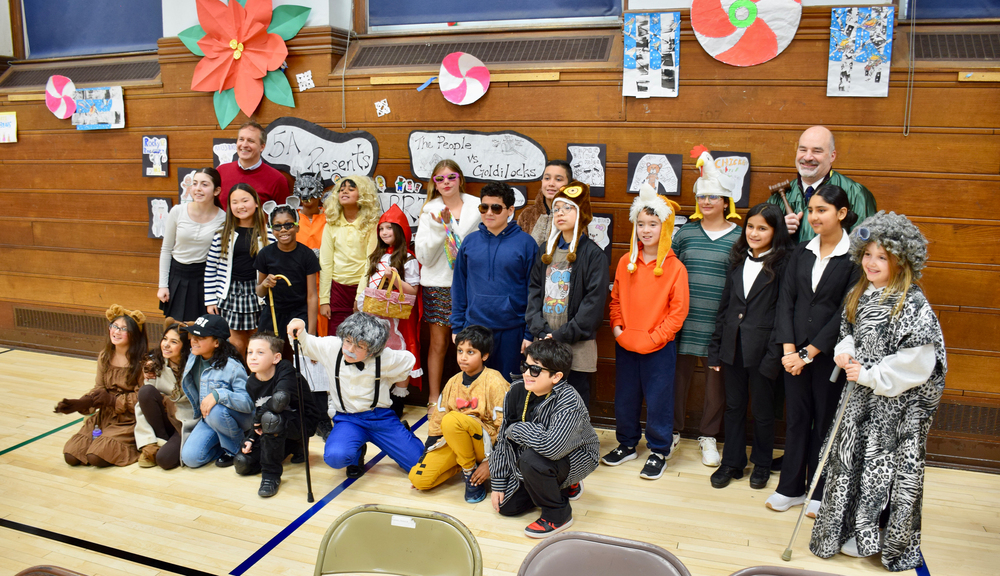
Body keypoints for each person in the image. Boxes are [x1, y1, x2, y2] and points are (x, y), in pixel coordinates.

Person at [810, 212, 946, 571]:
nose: (871, 263)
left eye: (882, 257)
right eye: (867, 254)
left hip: (892, 410)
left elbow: (917, 363)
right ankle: (844, 528)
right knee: (849, 464)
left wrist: (871, 374)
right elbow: (848, 331)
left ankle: (871, 535)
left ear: (901, 260)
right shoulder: (861, 293)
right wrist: (845, 351)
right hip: (859, 401)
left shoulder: (913, 305)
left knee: (879, 472)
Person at [767, 185, 861, 514]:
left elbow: (845, 312)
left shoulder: (855, 258)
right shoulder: (801, 252)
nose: (814, 216)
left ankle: (819, 492)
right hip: (793, 356)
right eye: (811, 210)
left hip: (828, 357)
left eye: (822, 210)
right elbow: (786, 302)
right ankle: (790, 488)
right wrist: (789, 351)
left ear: (842, 213)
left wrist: (809, 353)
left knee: (824, 423)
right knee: (796, 420)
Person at [602, 183, 688, 480]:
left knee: (659, 400)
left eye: (653, 224)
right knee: (625, 397)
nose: (646, 230)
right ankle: (627, 444)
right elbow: (615, 300)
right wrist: (617, 330)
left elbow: (677, 313)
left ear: (665, 227)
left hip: (659, 347)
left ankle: (659, 450)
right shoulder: (625, 262)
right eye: (641, 224)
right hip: (626, 343)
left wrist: (655, 338)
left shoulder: (675, 268)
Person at [707, 203, 794, 489]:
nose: (754, 233)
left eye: (762, 228)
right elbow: (726, 307)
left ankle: (762, 463)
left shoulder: (784, 264)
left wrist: (774, 355)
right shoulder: (737, 259)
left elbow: (783, 314)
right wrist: (716, 348)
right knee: (733, 407)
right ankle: (732, 462)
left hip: (764, 351)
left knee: (762, 411)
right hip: (732, 348)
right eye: (751, 227)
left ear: (775, 231)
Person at [287, 312, 424, 478]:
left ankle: (400, 433)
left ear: (372, 351)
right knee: (335, 457)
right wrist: (298, 325)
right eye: (348, 341)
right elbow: (305, 343)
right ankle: (357, 451)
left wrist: (389, 378)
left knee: (419, 465)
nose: (350, 350)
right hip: (348, 419)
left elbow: (408, 360)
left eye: (359, 346)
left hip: (380, 418)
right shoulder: (332, 347)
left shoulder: (385, 357)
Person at [672, 150, 744, 467]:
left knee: (716, 385)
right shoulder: (685, 233)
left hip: (719, 326)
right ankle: (671, 430)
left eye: (713, 196)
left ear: (726, 201)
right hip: (683, 322)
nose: (706, 201)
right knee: (676, 380)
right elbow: (669, 273)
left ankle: (709, 435)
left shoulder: (740, 237)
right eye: (702, 196)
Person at [489, 339, 599, 539]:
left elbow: (553, 448)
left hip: (575, 454)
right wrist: (497, 481)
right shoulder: (516, 391)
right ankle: (558, 485)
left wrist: (518, 429)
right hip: (535, 453)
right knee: (507, 507)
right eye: (525, 366)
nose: (526, 374)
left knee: (531, 461)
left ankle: (557, 515)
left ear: (556, 376)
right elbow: (504, 441)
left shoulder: (569, 401)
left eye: (535, 370)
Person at [525, 181, 608, 408]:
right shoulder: (545, 251)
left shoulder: (593, 255)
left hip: (576, 344)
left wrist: (562, 334)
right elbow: (534, 290)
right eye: (557, 209)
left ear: (581, 213)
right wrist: (540, 329)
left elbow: (593, 303)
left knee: (574, 401)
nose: (560, 213)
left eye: (567, 208)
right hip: (544, 339)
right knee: (542, 399)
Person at [409, 325, 509, 503]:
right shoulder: (452, 382)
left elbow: (505, 426)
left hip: (486, 445)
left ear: (484, 356)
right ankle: (465, 463)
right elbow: (436, 422)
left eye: (470, 352)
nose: (463, 357)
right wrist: (425, 456)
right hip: (456, 440)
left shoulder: (495, 381)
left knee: (452, 420)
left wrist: (492, 462)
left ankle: (471, 474)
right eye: (460, 351)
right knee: (418, 479)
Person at [451, 181, 538, 381]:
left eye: (496, 208)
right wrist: (457, 327)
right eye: (484, 207)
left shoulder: (526, 244)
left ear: (510, 210)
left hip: (512, 331)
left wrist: (529, 333)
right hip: (474, 330)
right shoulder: (470, 242)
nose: (489, 213)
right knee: (474, 387)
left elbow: (534, 292)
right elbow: (459, 287)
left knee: (508, 386)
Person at [415, 160, 482, 409]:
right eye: (440, 179)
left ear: (460, 179)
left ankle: (470, 398)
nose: (446, 183)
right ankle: (434, 399)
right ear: (434, 183)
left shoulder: (478, 206)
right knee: (439, 343)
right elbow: (423, 257)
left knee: (471, 344)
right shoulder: (429, 211)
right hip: (439, 284)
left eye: (451, 177)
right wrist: (441, 228)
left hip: (472, 284)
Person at [55, 305, 148, 467]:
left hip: (128, 419)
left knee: (95, 457)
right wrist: (82, 403)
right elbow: (99, 387)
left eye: (123, 329)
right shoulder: (105, 356)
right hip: (105, 415)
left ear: (134, 335)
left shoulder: (143, 362)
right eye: (114, 326)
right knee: (71, 455)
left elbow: (143, 399)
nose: (117, 331)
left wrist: (113, 401)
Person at [355, 205, 423, 418]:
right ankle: (378, 398)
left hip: (399, 316)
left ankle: (398, 399)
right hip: (376, 313)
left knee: (402, 351)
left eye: (389, 228)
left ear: (400, 230)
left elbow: (413, 290)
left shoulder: (408, 258)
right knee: (377, 351)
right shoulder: (377, 255)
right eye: (381, 229)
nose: (384, 233)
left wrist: (395, 278)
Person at [768, 126, 876, 242]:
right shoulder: (779, 197)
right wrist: (777, 232)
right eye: (803, 150)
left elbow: (865, 245)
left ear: (832, 156)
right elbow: (760, 244)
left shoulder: (855, 194)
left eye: (817, 151)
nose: (807, 157)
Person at [204, 183, 275, 357]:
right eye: (234, 202)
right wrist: (210, 300)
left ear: (256, 203)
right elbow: (211, 268)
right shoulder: (222, 234)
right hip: (231, 292)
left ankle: (256, 373)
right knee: (235, 342)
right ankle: (238, 373)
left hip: (257, 292)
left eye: (245, 200)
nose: (240, 206)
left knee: (257, 340)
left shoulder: (268, 234)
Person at [178, 314, 253, 468]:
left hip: (235, 417)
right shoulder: (193, 357)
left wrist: (220, 395)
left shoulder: (232, 366)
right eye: (193, 336)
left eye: (201, 337)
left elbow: (247, 403)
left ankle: (235, 450)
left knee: (215, 409)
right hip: (209, 419)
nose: (194, 340)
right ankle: (223, 443)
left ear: (217, 342)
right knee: (190, 458)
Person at [234, 333, 302, 498]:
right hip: (273, 424)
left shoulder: (285, 369)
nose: (253, 357)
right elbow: (259, 410)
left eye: (260, 352)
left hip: (300, 424)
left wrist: (258, 420)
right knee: (243, 463)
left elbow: (280, 400)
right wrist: (251, 438)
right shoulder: (251, 382)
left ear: (276, 357)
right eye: (250, 352)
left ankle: (271, 476)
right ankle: (290, 448)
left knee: (271, 418)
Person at [157, 167, 226, 322]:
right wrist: (163, 285)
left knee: (201, 329)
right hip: (177, 276)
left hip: (205, 278)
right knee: (176, 328)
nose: (198, 189)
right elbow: (166, 249)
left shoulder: (224, 218)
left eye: (204, 184)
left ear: (216, 191)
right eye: (195, 183)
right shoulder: (177, 211)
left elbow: (222, 259)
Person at [255, 200, 321, 358]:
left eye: (288, 225)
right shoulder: (265, 254)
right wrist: (265, 284)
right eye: (277, 226)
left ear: (297, 227)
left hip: (299, 313)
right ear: (272, 229)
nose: (283, 229)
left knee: (300, 356)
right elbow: (259, 291)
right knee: (268, 355)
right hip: (273, 311)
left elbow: (312, 296)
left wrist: (311, 334)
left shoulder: (307, 255)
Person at [318, 175, 380, 333]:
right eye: (341, 189)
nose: (344, 192)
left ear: (363, 195)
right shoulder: (331, 225)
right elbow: (325, 263)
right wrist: (324, 300)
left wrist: (360, 296)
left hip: (362, 288)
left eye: (351, 189)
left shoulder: (371, 225)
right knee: (336, 337)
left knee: (361, 337)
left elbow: (370, 262)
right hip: (337, 290)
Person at [135, 321, 196, 469]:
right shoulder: (155, 364)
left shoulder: (196, 366)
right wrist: (147, 441)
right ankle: (160, 439)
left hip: (185, 421)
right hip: (164, 420)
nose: (166, 345)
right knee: (145, 392)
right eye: (165, 339)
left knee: (164, 460)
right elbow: (142, 406)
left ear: (185, 346)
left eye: (174, 342)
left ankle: (168, 446)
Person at [217, 120, 290, 208]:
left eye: (250, 141)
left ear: (262, 147)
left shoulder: (277, 179)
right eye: (241, 139)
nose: (244, 145)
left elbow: (284, 214)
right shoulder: (220, 172)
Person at [293, 172, 330, 337]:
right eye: (301, 189)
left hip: (325, 282)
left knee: (325, 330)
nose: (306, 194)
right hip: (298, 282)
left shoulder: (331, 217)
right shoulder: (291, 217)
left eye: (310, 188)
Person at [517, 160, 573, 246]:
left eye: (558, 179)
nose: (551, 184)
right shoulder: (527, 214)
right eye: (547, 178)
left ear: (569, 185)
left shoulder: (574, 215)